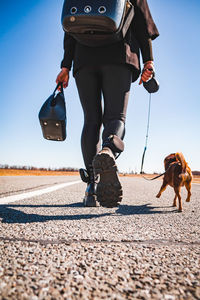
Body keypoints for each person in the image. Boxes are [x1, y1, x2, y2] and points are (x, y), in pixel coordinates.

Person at [56, 0, 159, 207]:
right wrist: (149, 61)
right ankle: (108, 150)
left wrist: (66, 66)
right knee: (115, 117)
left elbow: (69, 27)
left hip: (83, 59)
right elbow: (142, 25)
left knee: (91, 120)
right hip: (120, 55)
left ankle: (92, 187)